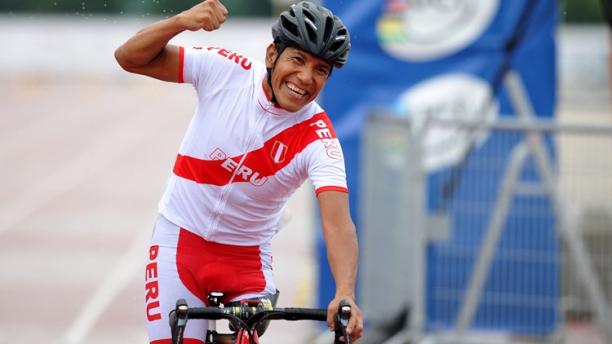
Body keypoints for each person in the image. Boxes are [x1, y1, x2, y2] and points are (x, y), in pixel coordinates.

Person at [115, 0, 363, 342]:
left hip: (246, 260)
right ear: (271, 55)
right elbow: (128, 57)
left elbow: (337, 223)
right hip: (180, 240)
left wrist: (345, 290)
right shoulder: (225, 72)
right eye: (298, 59)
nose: (306, 78)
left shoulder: (319, 137)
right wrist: (182, 21)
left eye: (321, 70)